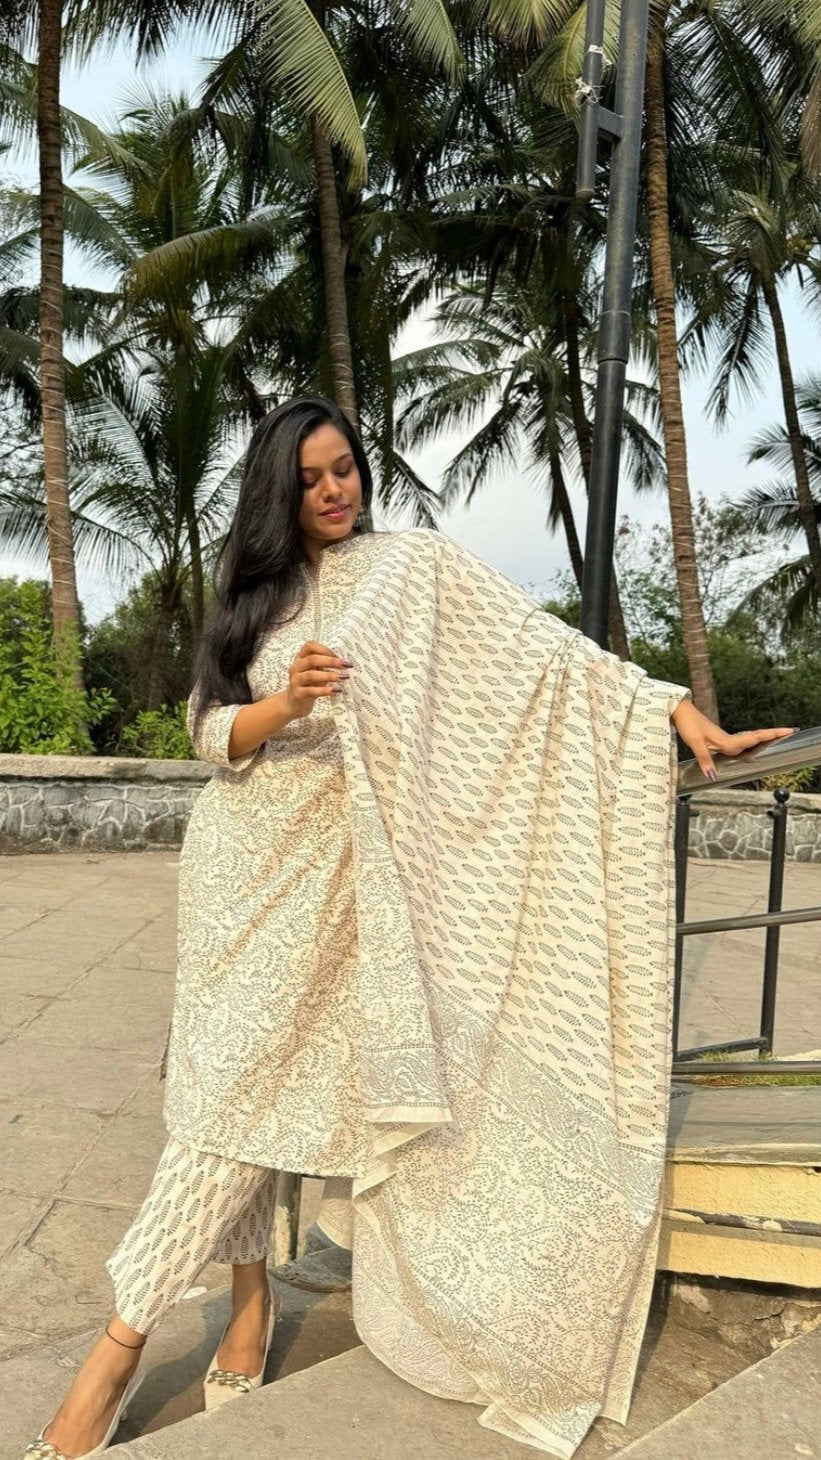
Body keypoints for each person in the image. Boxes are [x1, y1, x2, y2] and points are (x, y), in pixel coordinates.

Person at [23, 395, 795, 1460]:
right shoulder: (253, 596)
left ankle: (112, 1359)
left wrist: (668, 707)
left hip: (348, 891)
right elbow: (209, 730)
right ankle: (247, 1305)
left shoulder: (412, 570)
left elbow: (544, 653)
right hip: (241, 879)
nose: (334, 491)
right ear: (278, 494)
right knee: (223, 1096)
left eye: (344, 468)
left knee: (235, 1108)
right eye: (310, 479)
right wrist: (288, 704)